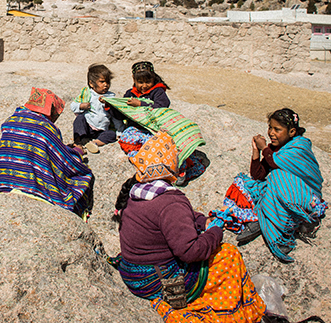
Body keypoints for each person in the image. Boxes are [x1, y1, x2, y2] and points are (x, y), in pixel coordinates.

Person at [108, 131, 265, 323]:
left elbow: (169, 220)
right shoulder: (171, 202)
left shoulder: (137, 192)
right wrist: (215, 230)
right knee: (228, 255)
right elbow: (191, 252)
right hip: (158, 282)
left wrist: (201, 221)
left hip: (134, 275)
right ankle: (234, 309)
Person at [225, 108, 327, 262]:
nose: (271, 133)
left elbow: (275, 162)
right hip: (282, 191)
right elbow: (258, 175)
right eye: (270, 128)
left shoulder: (299, 146)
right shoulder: (273, 149)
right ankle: (264, 218)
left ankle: (278, 232)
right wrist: (256, 152)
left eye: (277, 129)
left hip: (303, 194)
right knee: (246, 183)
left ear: (292, 131)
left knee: (277, 176)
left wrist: (264, 149)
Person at [0, 87, 94, 218]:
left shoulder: (11, 120)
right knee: (83, 176)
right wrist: (76, 152)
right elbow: (61, 160)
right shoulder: (46, 128)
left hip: (2, 182)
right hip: (33, 188)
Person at [71, 64, 116, 154]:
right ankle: (78, 142)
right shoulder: (87, 94)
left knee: (112, 134)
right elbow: (73, 106)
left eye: (107, 82)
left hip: (102, 129)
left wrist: (119, 130)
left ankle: (94, 143)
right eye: (102, 82)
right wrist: (81, 106)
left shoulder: (111, 97)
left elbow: (115, 115)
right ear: (91, 83)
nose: (106, 85)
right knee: (79, 119)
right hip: (88, 126)